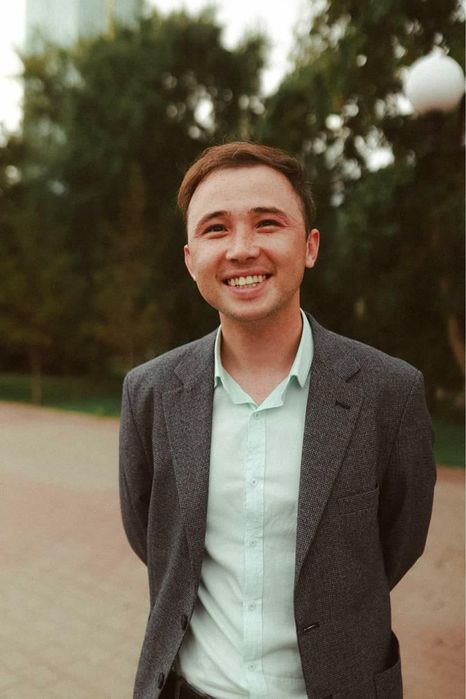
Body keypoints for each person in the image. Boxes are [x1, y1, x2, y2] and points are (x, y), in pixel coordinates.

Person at [119, 142, 436, 699]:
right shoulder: (150, 393)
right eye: (216, 229)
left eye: (267, 223)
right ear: (190, 258)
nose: (242, 249)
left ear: (309, 246)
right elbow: (154, 540)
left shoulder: (390, 392)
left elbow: (397, 543)